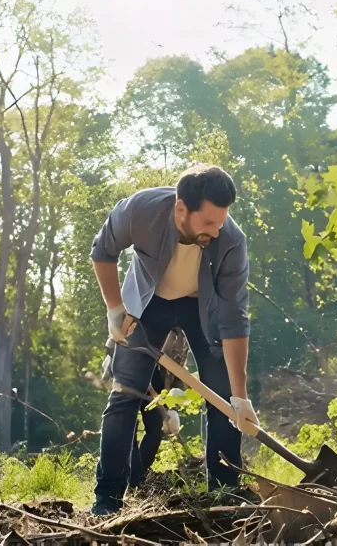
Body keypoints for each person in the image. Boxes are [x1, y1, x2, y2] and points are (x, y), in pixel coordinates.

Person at [89, 163, 259, 515]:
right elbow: (103, 250)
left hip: (204, 310)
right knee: (125, 396)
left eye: (222, 220)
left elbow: (234, 318)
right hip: (148, 307)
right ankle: (107, 499)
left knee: (224, 400)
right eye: (209, 222)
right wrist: (114, 310)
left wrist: (240, 396)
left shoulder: (231, 241)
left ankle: (225, 495)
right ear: (181, 208)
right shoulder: (140, 210)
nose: (217, 229)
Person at [100, 330, 188, 489]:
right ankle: (129, 479)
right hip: (129, 367)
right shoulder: (137, 312)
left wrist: (171, 408)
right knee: (127, 427)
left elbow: (176, 367)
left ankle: (137, 477)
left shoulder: (179, 334)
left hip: (157, 377)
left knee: (155, 429)